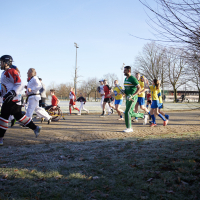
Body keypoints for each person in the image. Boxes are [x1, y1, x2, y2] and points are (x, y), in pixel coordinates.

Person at [0, 55, 41, 145]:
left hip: (12, 99)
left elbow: (19, 84)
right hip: (13, 99)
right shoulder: (4, 73)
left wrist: (13, 93)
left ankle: (0, 138)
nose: (0, 63)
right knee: (19, 116)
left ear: (6, 63)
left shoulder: (11, 71)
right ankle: (35, 128)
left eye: (1, 62)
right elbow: (5, 86)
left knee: (3, 117)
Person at [123, 66, 148, 133]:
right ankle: (143, 116)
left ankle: (129, 128)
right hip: (128, 98)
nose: (123, 72)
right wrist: (123, 92)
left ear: (129, 71)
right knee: (127, 113)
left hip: (133, 98)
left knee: (128, 112)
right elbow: (126, 89)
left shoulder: (133, 79)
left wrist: (133, 95)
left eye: (125, 70)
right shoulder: (125, 79)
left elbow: (139, 88)